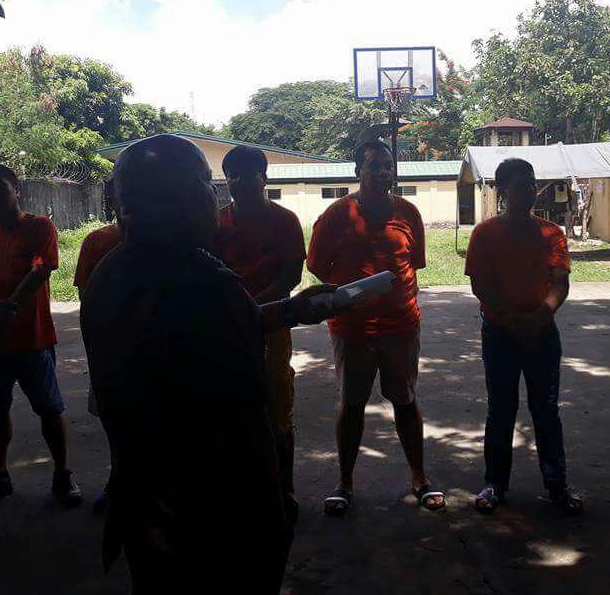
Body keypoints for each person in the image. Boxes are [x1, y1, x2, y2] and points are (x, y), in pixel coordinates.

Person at [80, 134, 337, 594]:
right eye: (205, 181)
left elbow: (220, 327)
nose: (215, 196)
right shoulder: (195, 279)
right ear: (176, 197)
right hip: (209, 506)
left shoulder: (117, 271)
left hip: (150, 495)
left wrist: (290, 310)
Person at [307, 139, 445, 516]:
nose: (383, 172)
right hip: (351, 328)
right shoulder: (337, 214)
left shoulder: (408, 213)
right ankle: (344, 483)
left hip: (401, 326)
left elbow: (413, 264)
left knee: (405, 401)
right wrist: (349, 293)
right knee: (352, 404)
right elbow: (316, 264)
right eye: (374, 166)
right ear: (358, 171)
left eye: (388, 165)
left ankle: (419, 478)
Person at [0, 164, 82, 512]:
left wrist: (9, 306)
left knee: (49, 409)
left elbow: (41, 268)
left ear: (17, 190)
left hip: (33, 339)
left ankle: (62, 474)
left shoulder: (40, 227)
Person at [465, 158, 583, 515]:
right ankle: (494, 484)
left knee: (546, 410)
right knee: (501, 410)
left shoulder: (551, 233)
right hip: (499, 333)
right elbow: (481, 286)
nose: (530, 191)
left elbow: (560, 283)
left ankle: (557, 484)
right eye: (520, 185)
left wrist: (539, 316)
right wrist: (512, 320)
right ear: (502, 191)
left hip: (542, 332)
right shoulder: (485, 234)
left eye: (532, 184)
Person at [209, 145, 305, 520]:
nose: (239, 181)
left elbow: (291, 275)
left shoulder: (285, 221)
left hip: (273, 329)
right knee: (230, 412)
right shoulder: (216, 223)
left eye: (247, 174)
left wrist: (253, 307)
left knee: (277, 411)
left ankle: (285, 491)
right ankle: (241, 493)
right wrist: (236, 309)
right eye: (232, 174)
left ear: (263, 178)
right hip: (227, 330)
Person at [74, 178, 123, 513]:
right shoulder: (97, 242)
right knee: (116, 418)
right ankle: (119, 478)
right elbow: (87, 299)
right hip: (113, 347)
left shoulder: (173, 240)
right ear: (111, 203)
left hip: (160, 347)